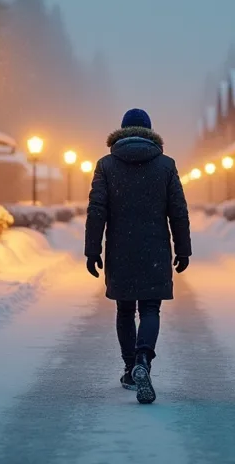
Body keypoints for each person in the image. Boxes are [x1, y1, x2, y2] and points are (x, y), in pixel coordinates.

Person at [84, 108, 191, 405]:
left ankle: (131, 369)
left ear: (121, 132)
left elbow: (97, 210)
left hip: (120, 247)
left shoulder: (106, 165)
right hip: (155, 248)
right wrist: (183, 248)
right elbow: (178, 211)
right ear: (150, 132)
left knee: (124, 310)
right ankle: (144, 357)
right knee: (150, 309)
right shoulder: (166, 165)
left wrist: (92, 249)